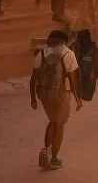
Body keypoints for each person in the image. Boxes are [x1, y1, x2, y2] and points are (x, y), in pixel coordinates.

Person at [29, 29, 82, 169]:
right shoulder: (68, 53)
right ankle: (54, 158)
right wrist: (77, 99)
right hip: (61, 93)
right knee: (60, 125)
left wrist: (33, 98)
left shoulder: (41, 54)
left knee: (53, 120)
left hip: (44, 96)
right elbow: (73, 79)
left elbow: (33, 77)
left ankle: (45, 150)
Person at [75, 28, 98, 101]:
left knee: (88, 94)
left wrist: (94, 72)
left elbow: (96, 59)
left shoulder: (92, 45)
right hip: (82, 68)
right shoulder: (78, 45)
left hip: (88, 69)